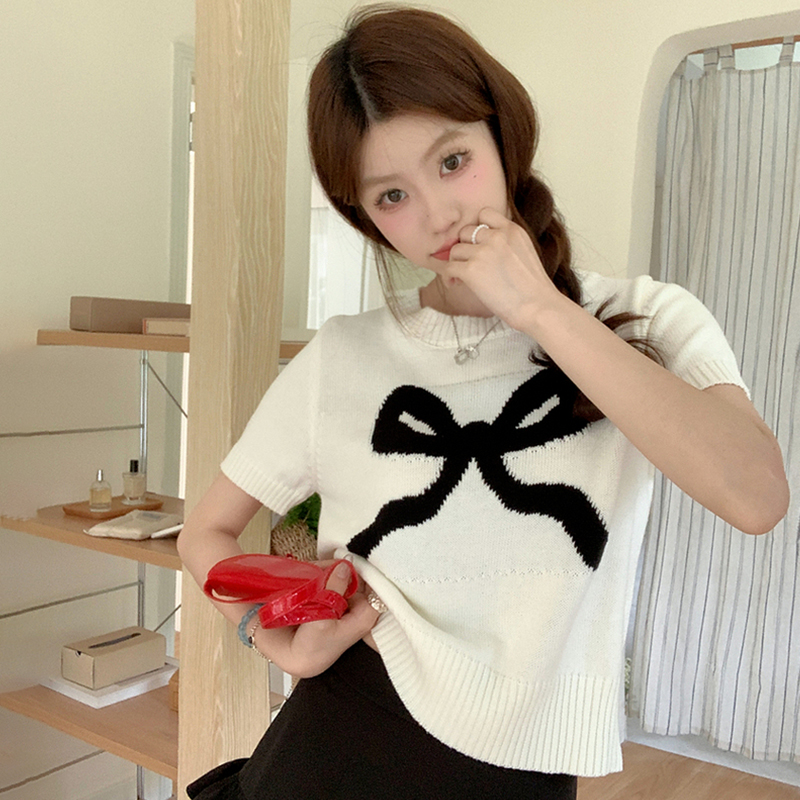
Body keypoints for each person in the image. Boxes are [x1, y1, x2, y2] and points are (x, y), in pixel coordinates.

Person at [178, 6, 789, 799]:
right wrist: (270, 636)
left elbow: (755, 495)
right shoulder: (343, 356)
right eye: (391, 196)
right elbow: (205, 533)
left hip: (525, 770)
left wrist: (540, 310)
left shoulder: (646, 317)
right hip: (335, 746)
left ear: (503, 136)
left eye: (453, 160)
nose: (438, 214)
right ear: (366, 218)